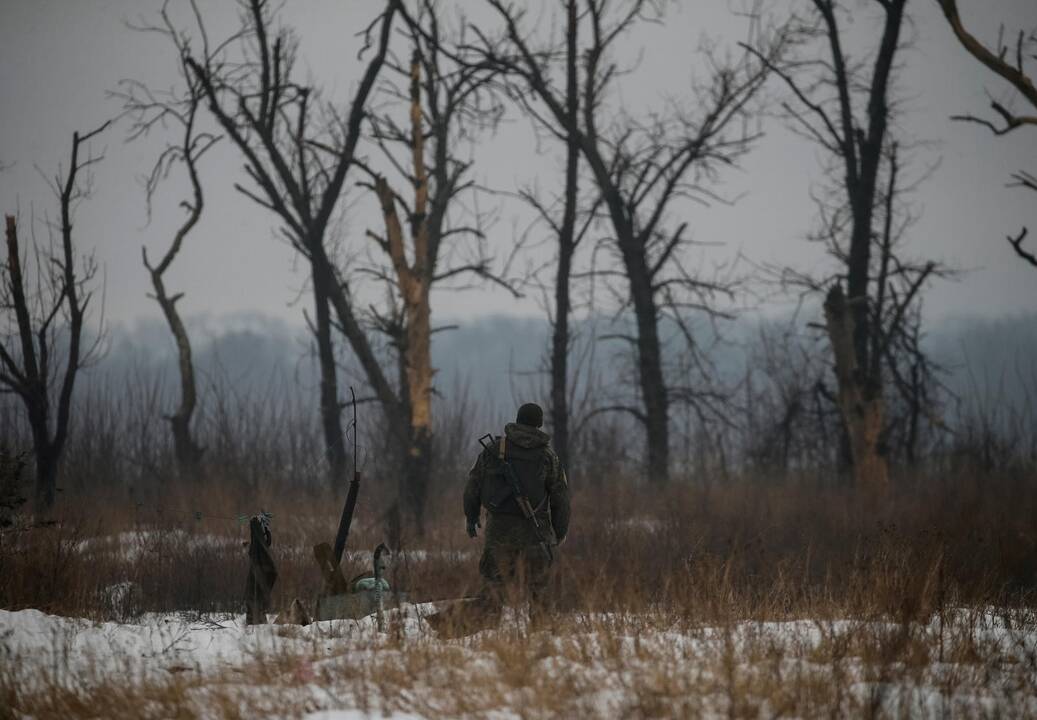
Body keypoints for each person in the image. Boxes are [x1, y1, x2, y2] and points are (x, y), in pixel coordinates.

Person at [462, 402, 570, 619]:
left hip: (499, 531)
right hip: (536, 532)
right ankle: (543, 638)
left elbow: (472, 486)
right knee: (540, 590)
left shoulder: (494, 450)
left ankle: (484, 633)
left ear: (518, 420)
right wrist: (559, 532)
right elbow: (560, 497)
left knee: (493, 586)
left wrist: (471, 517)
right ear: (539, 423)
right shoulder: (548, 456)